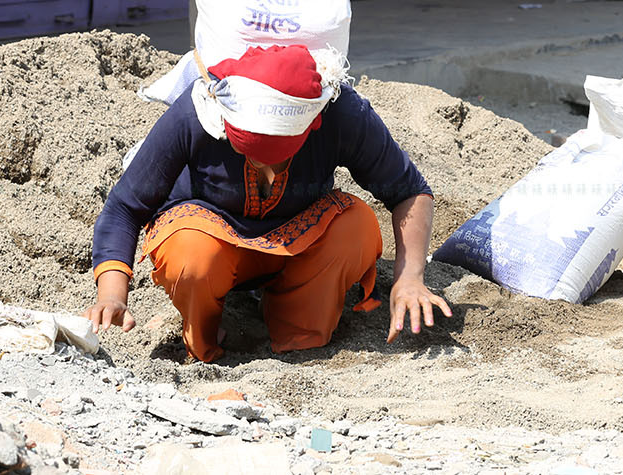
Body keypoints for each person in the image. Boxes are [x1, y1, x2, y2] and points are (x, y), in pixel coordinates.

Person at [84, 44, 451, 363]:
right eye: (252, 155)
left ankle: (298, 333)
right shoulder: (198, 112)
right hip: (211, 241)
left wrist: (410, 278)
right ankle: (208, 335)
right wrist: (112, 294)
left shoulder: (341, 112)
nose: (268, 169)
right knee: (191, 253)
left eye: (280, 157)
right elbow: (125, 207)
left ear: (312, 125)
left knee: (356, 226)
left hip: (299, 242)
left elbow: (408, 190)